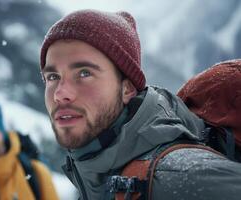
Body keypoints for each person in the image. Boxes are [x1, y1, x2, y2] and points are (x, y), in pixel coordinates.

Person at [39, 9, 241, 200]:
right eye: (53, 76)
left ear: (127, 89)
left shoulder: (181, 178)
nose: (60, 93)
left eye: (84, 73)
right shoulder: (101, 172)